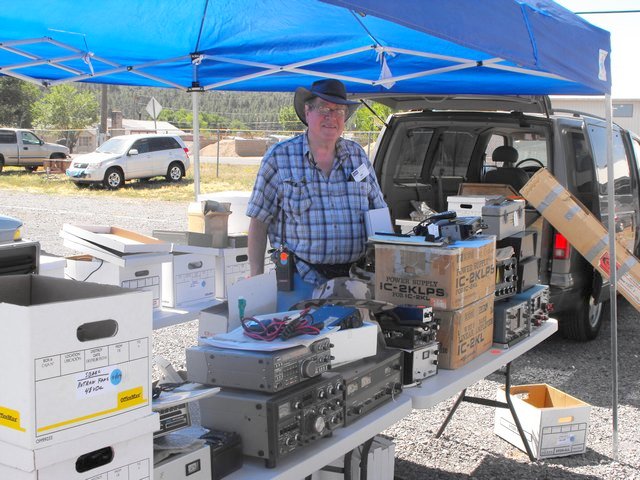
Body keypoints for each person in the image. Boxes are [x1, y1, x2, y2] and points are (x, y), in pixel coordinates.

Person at [246, 79, 387, 310]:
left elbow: (378, 212)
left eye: (339, 110)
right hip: (300, 281)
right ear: (307, 111)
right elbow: (259, 221)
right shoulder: (279, 158)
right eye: (324, 109)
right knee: (301, 334)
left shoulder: (357, 156)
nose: (332, 117)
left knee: (357, 334)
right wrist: (256, 277)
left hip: (353, 283)